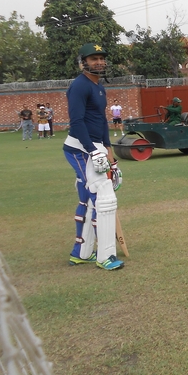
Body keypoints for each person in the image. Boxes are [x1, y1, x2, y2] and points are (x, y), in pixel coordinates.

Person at [63, 42, 123, 270]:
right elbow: (76, 122)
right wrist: (92, 150)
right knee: (104, 197)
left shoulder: (99, 87)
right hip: (80, 148)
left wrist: (108, 149)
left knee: (87, 198)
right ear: (83, 62)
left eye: (101, 58)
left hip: (96, 147)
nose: (98, 62)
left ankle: (81, 252)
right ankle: (105, 257)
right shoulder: (79, 86)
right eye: (93, 58)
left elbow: (101, 119)